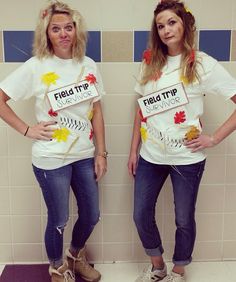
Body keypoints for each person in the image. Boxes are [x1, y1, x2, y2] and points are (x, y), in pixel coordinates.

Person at [128, 1, 236, 282]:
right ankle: (157, 267)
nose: (166, 30)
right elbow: (142, 110)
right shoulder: (150, 61)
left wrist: (213, 138)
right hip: (151, 156)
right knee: (140, 214)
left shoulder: (202, 63)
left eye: (172, 22)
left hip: (188, 159)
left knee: (184, 219)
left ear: (185, 24)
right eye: (160, 25)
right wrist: (134, 151)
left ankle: (178, 270)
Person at [0, 1, 107, 282]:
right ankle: (58, 269)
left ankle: (75, 256)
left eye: (68, 28)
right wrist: (26, 129)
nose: (63, 34)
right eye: (56, 29)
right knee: (59, 220)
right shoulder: (36, 66)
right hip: (51, 158)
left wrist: (101, 153)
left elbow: (96, 111)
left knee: (92, 215)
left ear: (76, 31)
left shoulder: (89, 65)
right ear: (47, 33)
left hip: (84, 155)